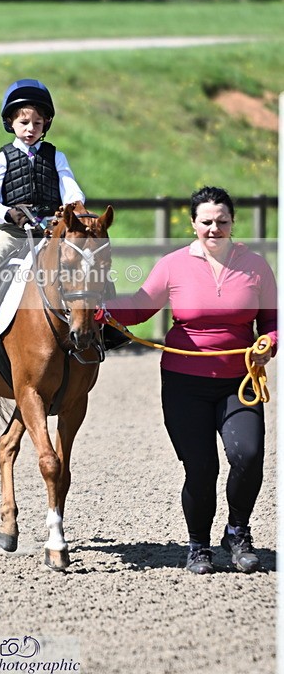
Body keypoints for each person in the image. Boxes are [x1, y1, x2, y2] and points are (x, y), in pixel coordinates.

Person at [94, 186, 277, 575]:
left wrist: (271, 342)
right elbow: (140, 308)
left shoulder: (257, 266)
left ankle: (237, 533)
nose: (214, 229)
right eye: (206, 222)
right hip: (184, 382)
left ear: (233, 222)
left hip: (238, 381)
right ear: (193, 224)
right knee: (201, 468)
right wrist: (100, 309)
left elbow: (272, 320)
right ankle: (198, 547)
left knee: (248, 455)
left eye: (222, 222)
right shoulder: (173, 265)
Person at [0, 78, 86, 352]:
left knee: (88, 263)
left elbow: (70, 187)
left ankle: (105, 322)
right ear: (10, 122)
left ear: (45, 124)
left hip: (49, 235)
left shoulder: (56, 157)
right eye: (24, 123)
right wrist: (7, 214)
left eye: (37, 123)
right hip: (12, 234)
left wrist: (75, 207)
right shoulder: (1, 159)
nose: (30, 129)